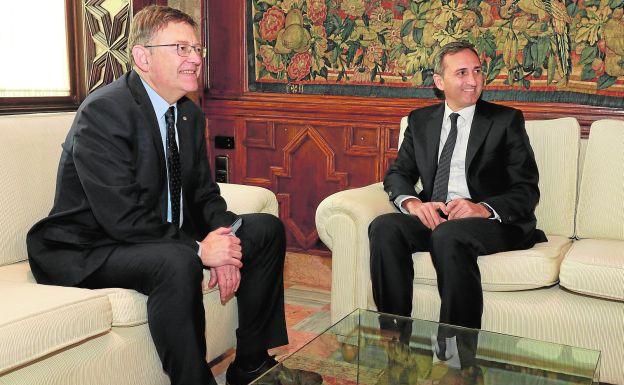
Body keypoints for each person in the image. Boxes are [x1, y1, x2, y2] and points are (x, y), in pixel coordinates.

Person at [27, 6, 320, 385]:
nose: (195, 59)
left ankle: (251, 364)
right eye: (181, 48)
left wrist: (226, 240)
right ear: (142, 57)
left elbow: (203, 194)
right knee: (176, 260)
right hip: (90, 246)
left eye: (197, 49)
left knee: (263, 230)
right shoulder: (104, 112)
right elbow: (122, 217)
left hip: (149, 235)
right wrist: (200, 251)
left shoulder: (187, 114)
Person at [369, 41, 547, 349]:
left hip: (489, 222)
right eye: (462, 72)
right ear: (440, 82)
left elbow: (526, 189)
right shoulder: (420, 121)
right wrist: (412, 203)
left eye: (477, 71)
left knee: (448, 236)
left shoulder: (505, 121)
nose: (473, 80)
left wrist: (481, 208)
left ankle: (455, 357)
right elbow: (399, 174)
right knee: (384, 227)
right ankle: (394, 342)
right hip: (439, 215)